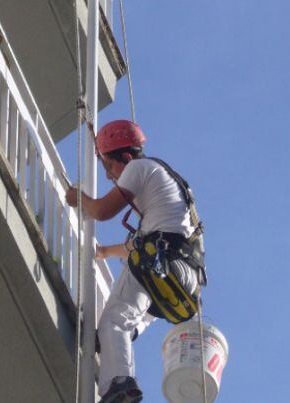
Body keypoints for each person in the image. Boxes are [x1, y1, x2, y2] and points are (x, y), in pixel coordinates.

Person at [66, 120, 203, 403]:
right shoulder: (165, 195)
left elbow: (103, 211)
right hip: (180, 273)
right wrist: (104, 252)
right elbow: (137, 245)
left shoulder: (139, 168)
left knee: (114, 321)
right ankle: (114, 347)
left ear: (125, 157)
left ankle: (120, 385)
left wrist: (78, 198)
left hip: (160, 261)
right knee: (129, 321)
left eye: (110, 166)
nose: (110, 176)